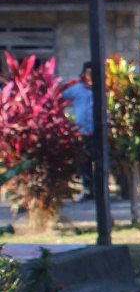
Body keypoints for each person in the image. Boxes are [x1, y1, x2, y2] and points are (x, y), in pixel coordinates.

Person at [61, 62, 96, 200]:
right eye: (89, 73)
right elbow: (59, 98)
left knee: (100, 162)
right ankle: (88, 191)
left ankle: (100, 190)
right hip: (82, 132)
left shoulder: (102, 90)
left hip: (99, 131)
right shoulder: (77, 89)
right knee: (84, 162)